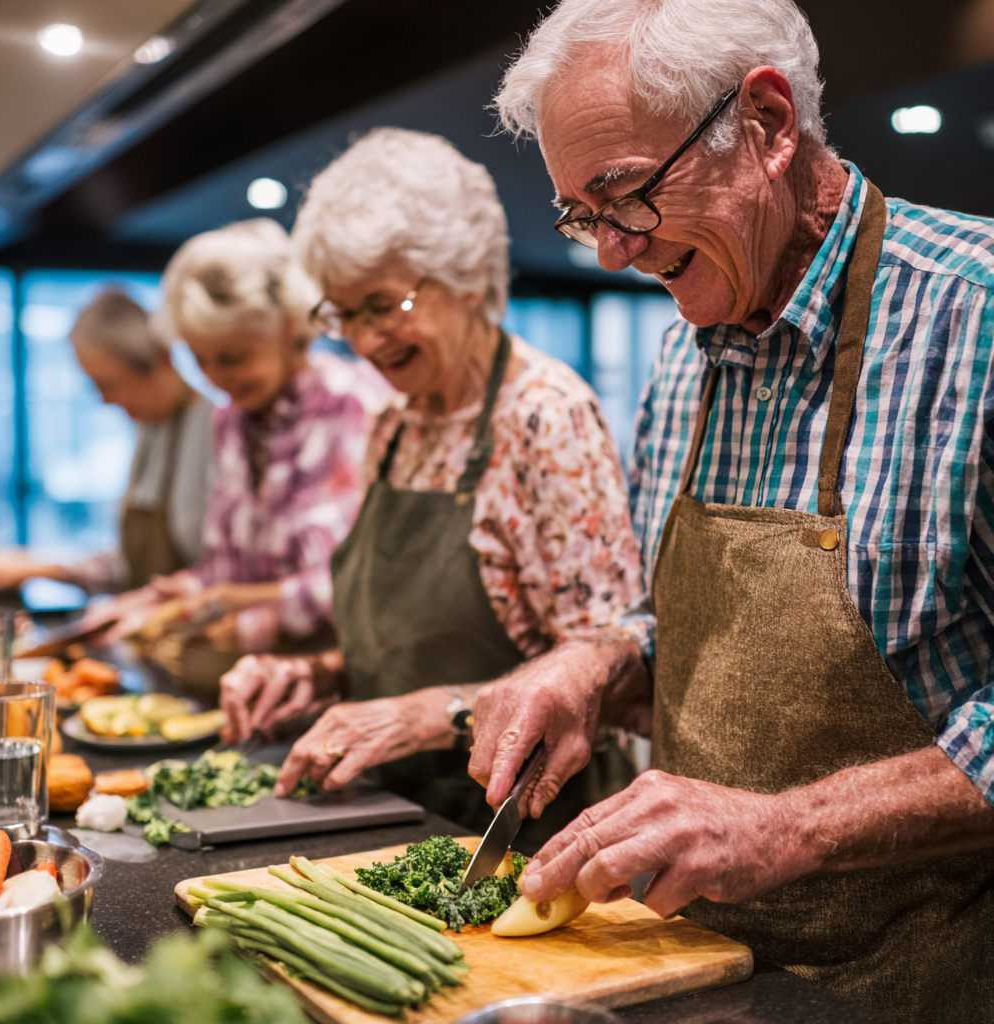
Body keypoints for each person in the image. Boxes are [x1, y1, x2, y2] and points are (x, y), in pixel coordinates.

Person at [465, 1, 994, 1022]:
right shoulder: (685, 351)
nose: (611, 252)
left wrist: (790, 827)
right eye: (581, 212)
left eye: (622, 195)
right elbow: (694, 634)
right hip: (696, 972)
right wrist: (598, 664)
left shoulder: (975, 317)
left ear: (764, 124)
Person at [218, 128, 644, 838]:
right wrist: (320, 673)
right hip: (390, 814)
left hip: (522, 835)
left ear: (469, 273)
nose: (363, 341)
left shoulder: (545, 419)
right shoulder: (393, 422)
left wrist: (421, 716)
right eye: (343, 314)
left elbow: (610, 690)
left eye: (383, 306)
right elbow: (406, 649)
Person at [91, 219, 386, 654]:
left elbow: (367, 583)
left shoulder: (352, 404)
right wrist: (177, 593)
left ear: (289, 325)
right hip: (251, 683)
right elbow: (231, 566)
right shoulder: (230, 420)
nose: (216, 378)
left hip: (340, 678)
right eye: (200, 359)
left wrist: (247, 613)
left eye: (232, 357)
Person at [0, 290, 213, 594]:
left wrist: (42, 567)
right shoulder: (149, 431)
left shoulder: (215, 431)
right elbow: (125, 566)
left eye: (108, 384)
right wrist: (37, 565)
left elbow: (223, 571)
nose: (104, 400)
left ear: (161, 358)